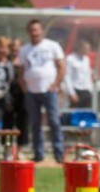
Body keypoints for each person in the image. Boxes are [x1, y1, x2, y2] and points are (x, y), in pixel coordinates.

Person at [18, 19, 66, 163]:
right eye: (32, 30)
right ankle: (39, 154)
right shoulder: (24, 49)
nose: (34, 33)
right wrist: (24, 87)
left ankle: (59, 153)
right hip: (32, 91)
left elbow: (61, 66)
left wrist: (56, 83)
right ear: (28, 32)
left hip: (49, 90)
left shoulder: (52, 46)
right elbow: (21, 70)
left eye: (37, 30)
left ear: (42, 31)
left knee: (54, 121)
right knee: (35, 123)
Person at [1, 38, 29, 160]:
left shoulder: (26, 61)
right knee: (8, 122)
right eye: (13, 47)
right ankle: (7, 150)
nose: (15, 50)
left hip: (23, 94)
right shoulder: (5, 61)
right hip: (8, 95)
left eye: (18, 47)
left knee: (23, 123)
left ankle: (20, 150)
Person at [63, 40, 94, 109]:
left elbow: (88, 75)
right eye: (86, 49)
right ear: (80, 48)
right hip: (76, 89)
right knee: (75, 113)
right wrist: (71, 92)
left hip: (86, 89)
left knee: (86, 113)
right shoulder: (70, 59)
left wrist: (90, 88)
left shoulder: (86, 59)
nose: (88, 51)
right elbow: (67, 76)